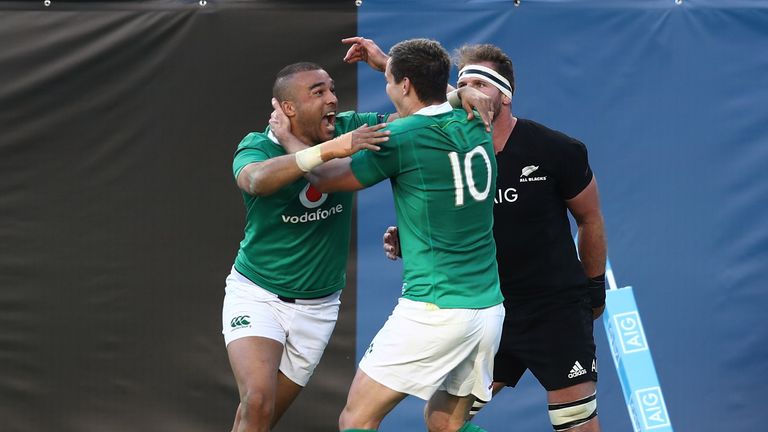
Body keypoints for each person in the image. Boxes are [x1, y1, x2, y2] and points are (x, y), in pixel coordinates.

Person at [368, 41, 607, 431]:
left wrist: (594, 288)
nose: (471, 92)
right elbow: (445, 215)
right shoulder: (450, 149)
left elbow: (591, 220)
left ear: (505, 96)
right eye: (464, 84)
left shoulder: (556, 149)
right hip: (489, 310)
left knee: (576, 423)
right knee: (442, 421)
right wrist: (409, 237)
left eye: (481, 83)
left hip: (555, 310)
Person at [270, 38, 504, 432]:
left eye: (389, 80)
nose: (387, 88)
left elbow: (325, 178)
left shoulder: (403, 137)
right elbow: (443, 102)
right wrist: (397, 67)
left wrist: (287, 138)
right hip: (487, 308)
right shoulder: (475, 119)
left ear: (405, 85)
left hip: (435, 306)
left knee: (356, 419)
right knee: (446, 423)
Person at [222, 61, 391, 432]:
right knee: (257, 400)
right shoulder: (257, 145)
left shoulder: (349, 128)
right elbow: (256, 181)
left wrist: (459, 93)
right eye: (318, 92)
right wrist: (328, 150)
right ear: (287, 109)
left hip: (319, 308)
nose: (332, 98)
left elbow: (424, 112)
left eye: (331, 89)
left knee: (260, 418)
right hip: (258, 294)